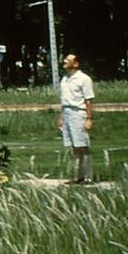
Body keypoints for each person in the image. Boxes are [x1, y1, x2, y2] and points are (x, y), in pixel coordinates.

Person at [57, 53, 95, 183]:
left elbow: (88, 100)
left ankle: (88, 175)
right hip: (67, 113)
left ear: (76, 63)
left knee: (82, 144)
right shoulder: (65, 79)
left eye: (68, 60)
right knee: (73, 146)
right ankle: (79, 175)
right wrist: (61, 117)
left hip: (78, 113)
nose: (64, 61)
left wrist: (89, 118)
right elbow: (64, 100)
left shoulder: (84, 79)